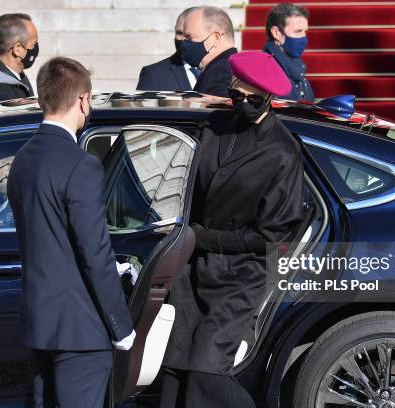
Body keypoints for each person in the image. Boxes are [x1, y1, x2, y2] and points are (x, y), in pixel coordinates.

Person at [160, 51, 305, 408]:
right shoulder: (211, 128)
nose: (242, 104)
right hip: (192, 272)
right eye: (235, 96)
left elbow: (271, 235)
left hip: (241, 277)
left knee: (207, 372)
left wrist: (203, 237)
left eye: (251, 99)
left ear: (269, 99)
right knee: (174, 368)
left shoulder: (282, 152)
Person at [7, 57, 135, 408]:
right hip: (81, 329)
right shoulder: (81, 164)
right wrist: (121, 327)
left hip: (40, 322)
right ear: (82, 100)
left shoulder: (22, 159)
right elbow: (93, 252)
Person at [137, 7, 199, 92]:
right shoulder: (154, 74)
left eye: (188, 34)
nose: (182, 39)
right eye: (179, 33)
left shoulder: (221, 69)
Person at [181, 6, 237, 98]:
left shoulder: (220, 75)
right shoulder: (223, 68)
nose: (184, 43)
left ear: (215, 38)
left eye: (189, 37)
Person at [263, 3, 315, 102]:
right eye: (298, 31)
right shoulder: (267, 69)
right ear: (276, 33)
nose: (304, 38)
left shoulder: (297, 65)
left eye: (305, 32)